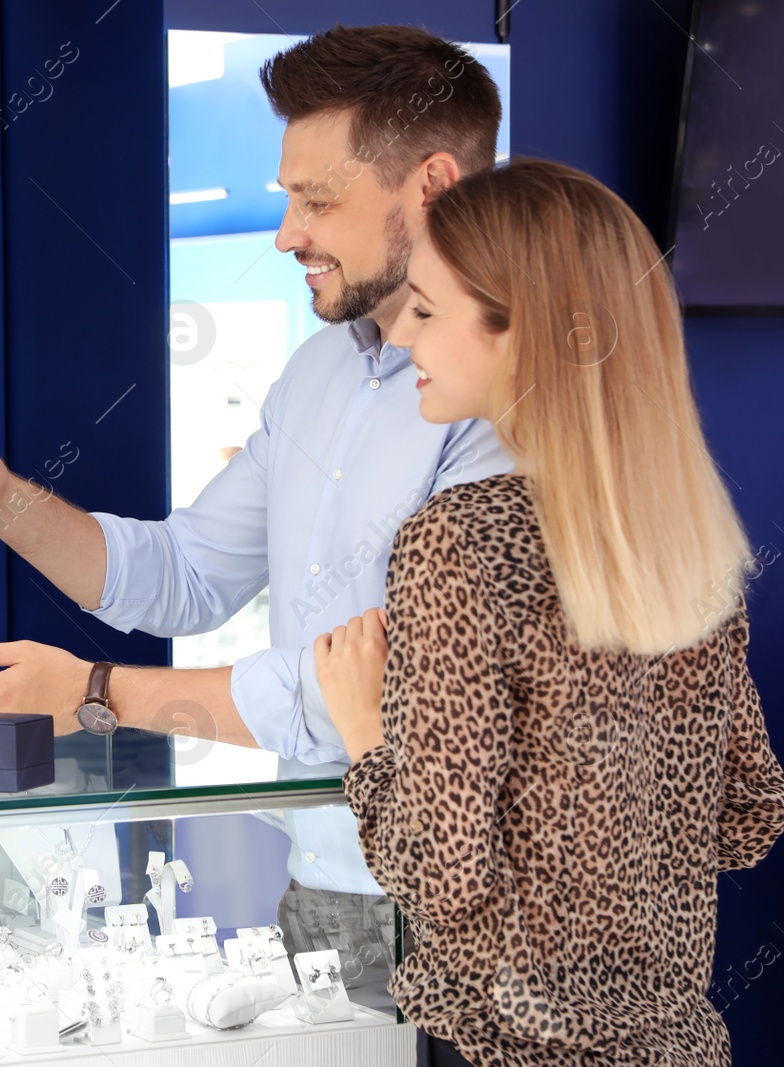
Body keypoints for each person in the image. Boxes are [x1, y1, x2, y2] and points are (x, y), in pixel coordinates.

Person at [0, 25, 509, 1008]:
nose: (286, 232)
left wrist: (97, 689)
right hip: (319, 881)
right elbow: (187, 574)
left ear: (432, 184)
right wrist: (2, 500)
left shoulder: (507, 398)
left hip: (456, 902)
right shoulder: (318, 371)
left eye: (316, 199)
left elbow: (390, 682)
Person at [313, 159, 784, 1066]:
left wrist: (367, 739)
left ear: (521, 331)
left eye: (427, 309)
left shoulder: (459, 540)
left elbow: (445, 877)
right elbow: (750, 812)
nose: (404, 338)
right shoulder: (691, 547)